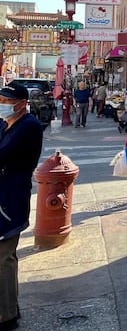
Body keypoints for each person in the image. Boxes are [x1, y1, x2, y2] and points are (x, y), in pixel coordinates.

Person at [0, 82, 43, 331]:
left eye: (7, 102)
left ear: (22, 103)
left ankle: (7, 315)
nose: (3, 106)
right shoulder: (5, 124)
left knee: (4, 257)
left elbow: (4, 155)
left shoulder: (29, 126)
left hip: (10, 199)